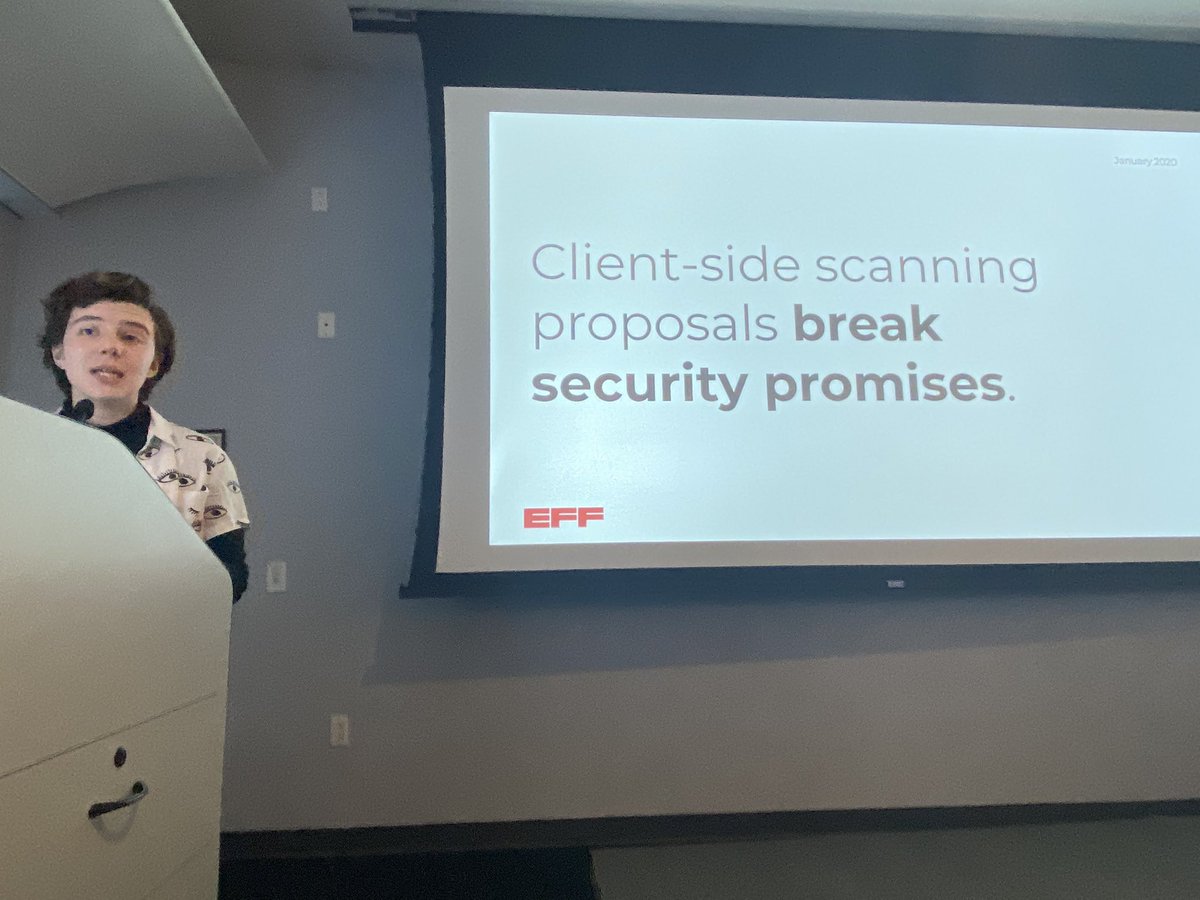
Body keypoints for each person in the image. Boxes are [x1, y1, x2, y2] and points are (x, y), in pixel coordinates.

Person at [38, 271, 249, 602]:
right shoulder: (20, 451)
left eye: (131, 337)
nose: (110, 347)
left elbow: (231, 578)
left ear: (154, 363)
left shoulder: (203, 458)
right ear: (59, 352)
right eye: (89, 331)